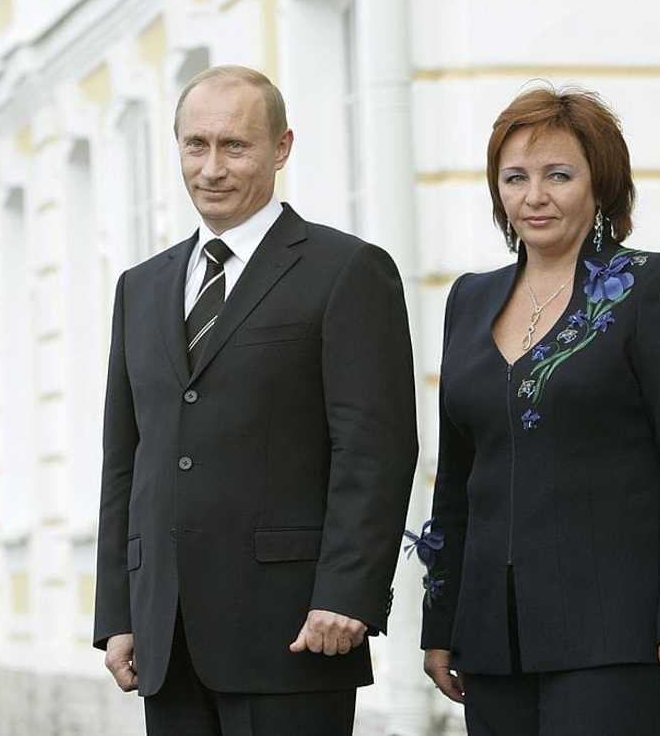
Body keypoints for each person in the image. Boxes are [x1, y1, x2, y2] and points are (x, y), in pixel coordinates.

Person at [94, 65, 418, 736]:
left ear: (281, 147)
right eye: (195, 145)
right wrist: (119, 612)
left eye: (233, 146)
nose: (211, 168)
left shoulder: (347, 271)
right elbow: (125, 463)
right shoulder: (142, 288)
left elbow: (376, 449)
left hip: (295, 634)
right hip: (170, 639)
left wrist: (346, 595)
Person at [413, 87, 660, 735]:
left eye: (558, 175)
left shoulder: (652, 285)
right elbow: (456, 478)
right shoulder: (469, 300)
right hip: (493, 634)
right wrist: (441, 619)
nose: (535, 195)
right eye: (516, 177)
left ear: (601, 183)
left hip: (616, 631)